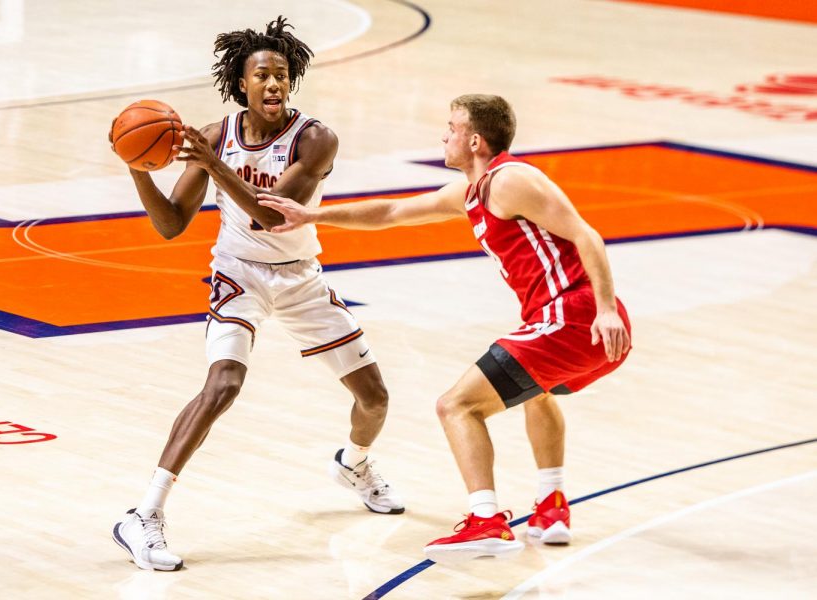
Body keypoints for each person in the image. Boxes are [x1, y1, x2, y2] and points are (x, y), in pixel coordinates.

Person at [258, 94, 632, 564]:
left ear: (475, 140)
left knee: (456, 406)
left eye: (452, 127)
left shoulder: (512, 180)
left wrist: (605, 308)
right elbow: (392, 213)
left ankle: (486, 521)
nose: (443, 135)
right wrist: (315, 215)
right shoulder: (470, 193)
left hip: (576, 316)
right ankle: (552, 505)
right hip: (562, 322)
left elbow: (586, 234)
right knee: (537, 393)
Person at [109, 16, 404, 572]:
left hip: (300, 277)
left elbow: (271, 216)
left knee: (375, 398)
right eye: (263, 75)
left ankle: (355, 463)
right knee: (223, 384)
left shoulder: (315, 138)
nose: (275, 84)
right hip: (238, 275)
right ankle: (143, 515)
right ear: (240, 83)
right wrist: (138, 168)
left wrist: (214, 165)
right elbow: (172, 224)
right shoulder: (217, 136)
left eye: (283, 75)